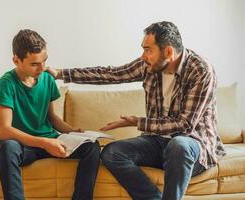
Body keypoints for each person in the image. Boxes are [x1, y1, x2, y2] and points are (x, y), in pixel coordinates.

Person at [46, 21, 226, 200]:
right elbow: (111, 74)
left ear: (168, 52)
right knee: (112, 153)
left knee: (178, 145)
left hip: (193, 148)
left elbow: (185, 124)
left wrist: (137, 122)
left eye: (148, 50)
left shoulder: (200, 71)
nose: (143, 56)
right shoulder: (151, 66)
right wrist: (61, 73)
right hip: (158, 142)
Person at [0, 29, 100, 200]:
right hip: (24, 146)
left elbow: (52, 118)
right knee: (8, 148)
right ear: (16, 60)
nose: (42, 68)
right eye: (34, 64)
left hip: (49, 140)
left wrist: (73, 132)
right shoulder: (6, 84)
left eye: (44, 61)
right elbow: (4, 131)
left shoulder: (47, 79)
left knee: (91, 147)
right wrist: (44, 143)